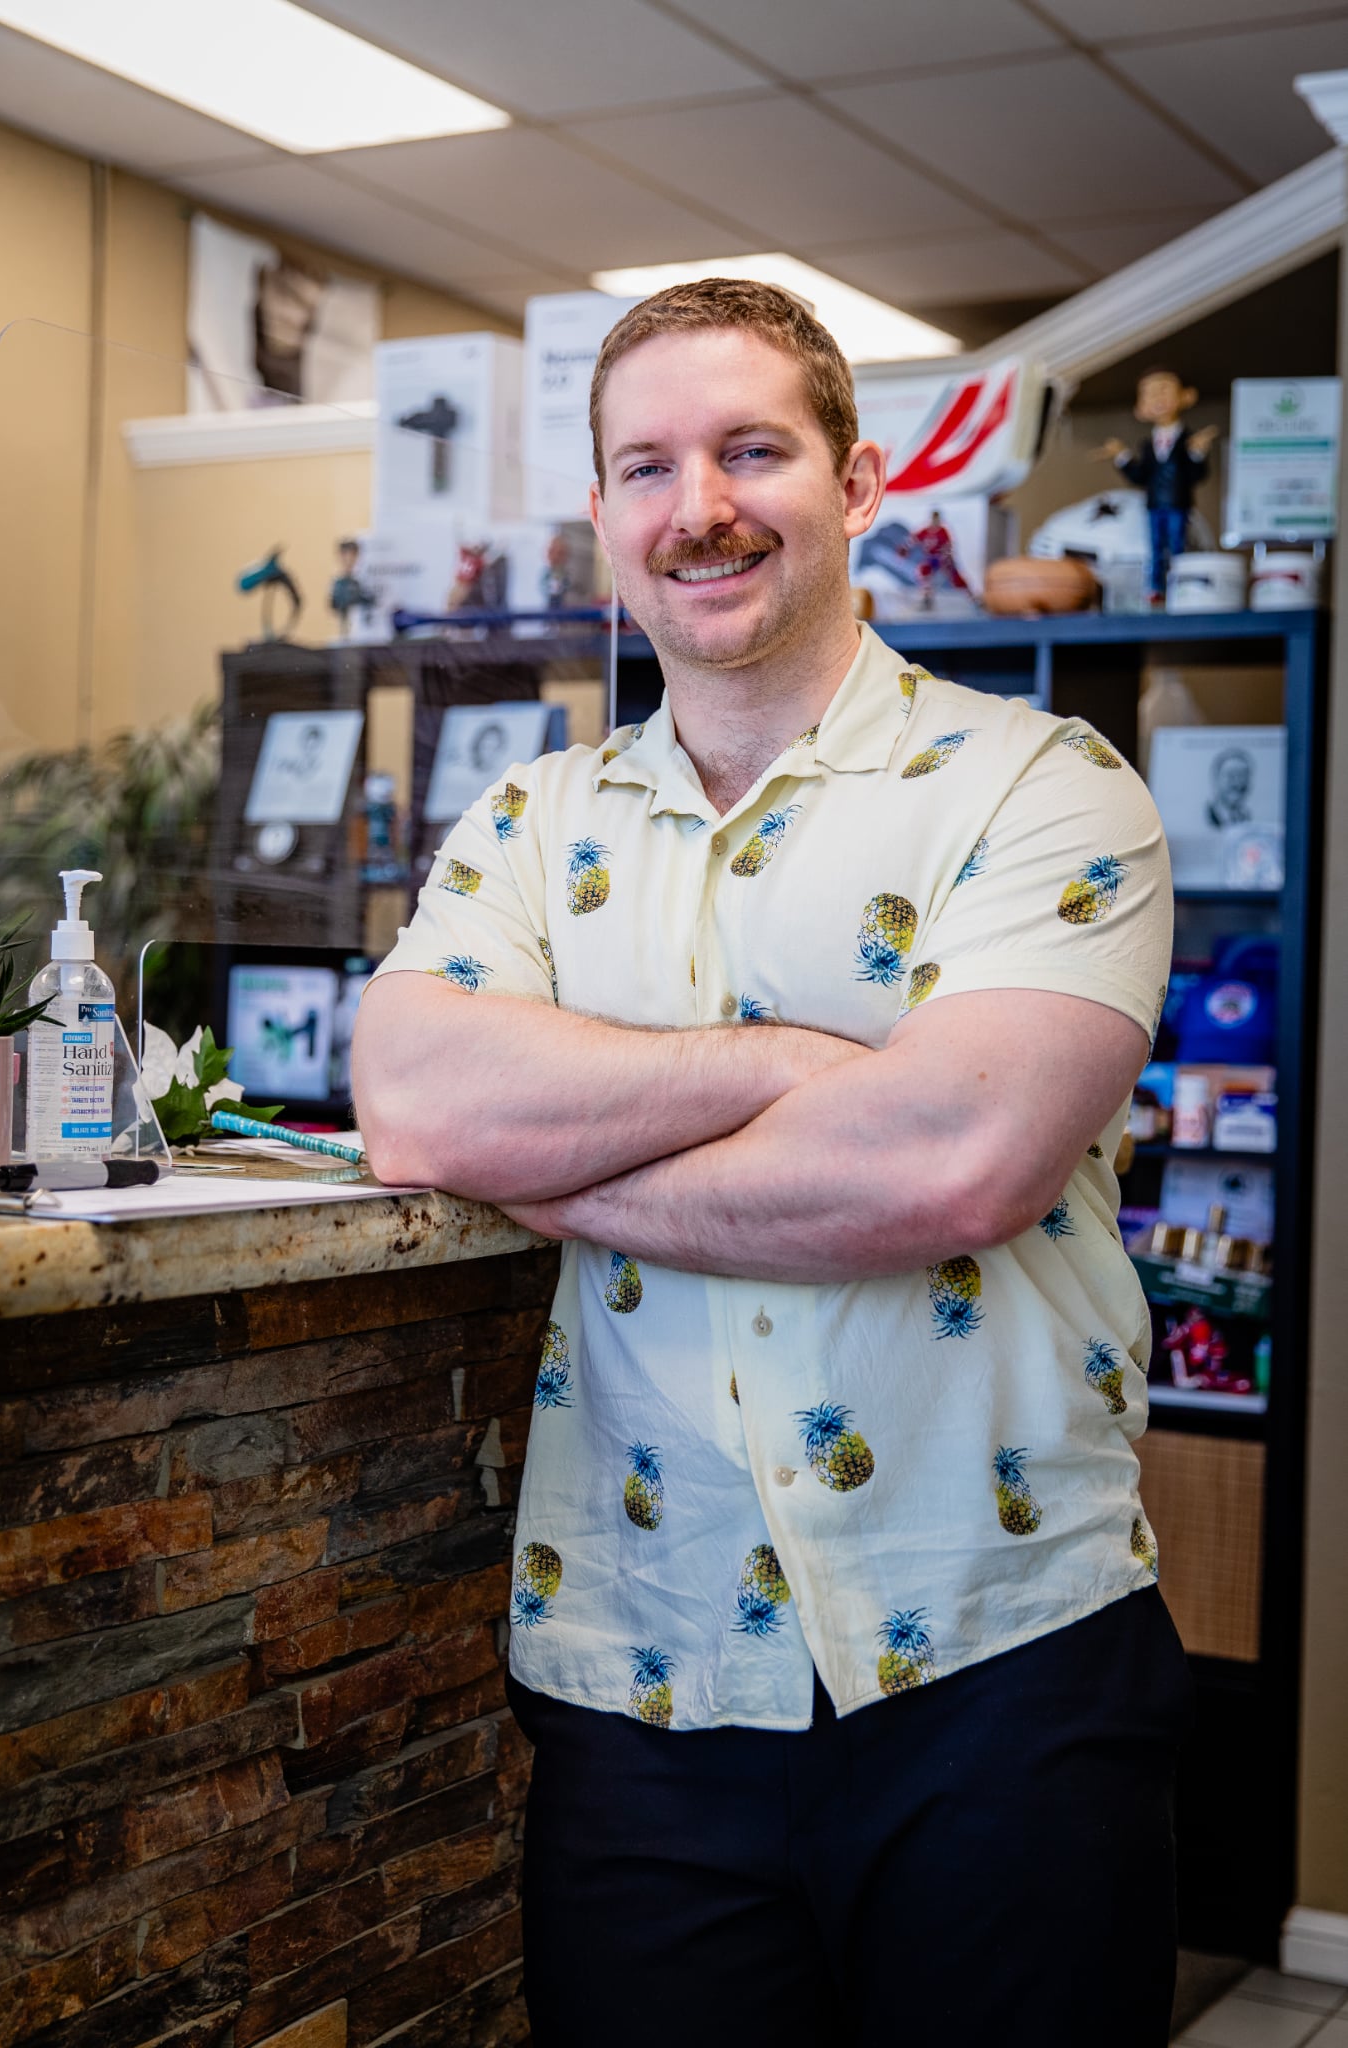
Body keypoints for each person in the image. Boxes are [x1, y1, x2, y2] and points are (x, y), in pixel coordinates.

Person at [353, 279, 1186, 2047]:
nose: (700, 507)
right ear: (603, 515)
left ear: (857, 482)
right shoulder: (529, 823)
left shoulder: (1042, 784)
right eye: (648, 465)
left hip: (1000, 1661)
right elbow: (412, 1100)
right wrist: (784, 1069)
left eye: (752, 450)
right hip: (644, 1679)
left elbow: (958, 1163)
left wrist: (558, 1166)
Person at [1097, 367, 1219, 601]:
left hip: (1178, 503)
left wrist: (1197, 454)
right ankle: (1156, 587)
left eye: (1163, 389)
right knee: (1155, 547)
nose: (1157, 398)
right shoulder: (1147, 445)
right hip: (1154, 504)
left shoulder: (1187, 441)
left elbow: (1197, 474)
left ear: (1186, 396)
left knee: (1177, 544)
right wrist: (1122, 456)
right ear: (1140, 408)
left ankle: (1180, 584)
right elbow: (1139, 475)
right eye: (1149, 393)